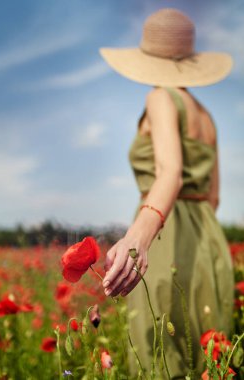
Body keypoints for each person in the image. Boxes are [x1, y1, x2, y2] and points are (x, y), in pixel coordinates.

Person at [100, 8, 234, 379]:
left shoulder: (159, 98)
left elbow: (170, 173)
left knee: (161, 356)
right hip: (208, 244)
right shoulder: (206, 117)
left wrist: (139, 237)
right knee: (208, 358)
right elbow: (213, 198)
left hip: (166, 238)